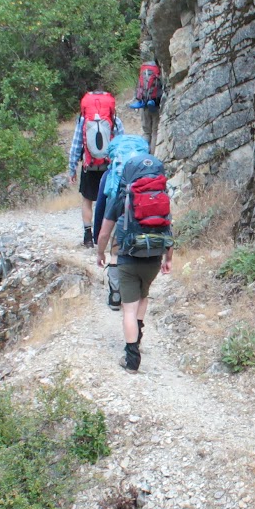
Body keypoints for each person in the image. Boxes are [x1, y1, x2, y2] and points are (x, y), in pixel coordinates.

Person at [94, 134, 172, 372]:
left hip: (128, 258)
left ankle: (131, 358)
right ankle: (137, 338)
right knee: (142, 299)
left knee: (128, 308)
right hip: (153, 259)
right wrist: (168, 259)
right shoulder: (161, 196)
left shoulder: (122, 196)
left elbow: (105, 233)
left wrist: (100, 253)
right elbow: (168, 228)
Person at [66, 92, 123, 247]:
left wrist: (72, 169)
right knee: (110, 200)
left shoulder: (83, 121)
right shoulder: (114, 120)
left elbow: (76, 146)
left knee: (87, 200)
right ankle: (107, 236)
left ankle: (88, 236)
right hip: (108, 167)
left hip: (89, 166)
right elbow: (121, 144)